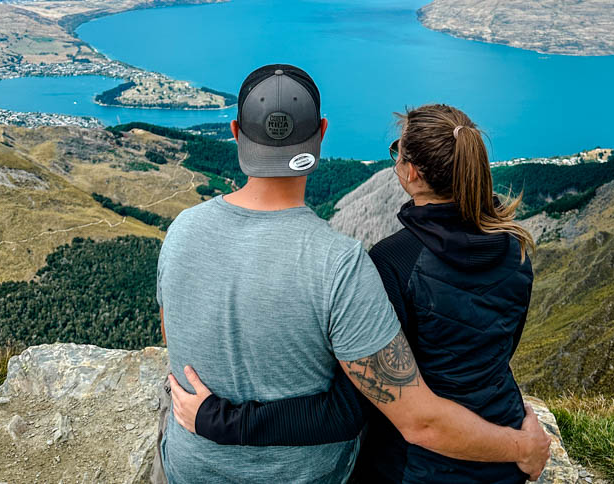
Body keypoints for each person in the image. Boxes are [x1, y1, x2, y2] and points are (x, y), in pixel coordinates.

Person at [167, 91, 543, 483]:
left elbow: (350, 410)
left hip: (415, 468)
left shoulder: (392, 262)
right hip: (505, 450)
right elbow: (499, 351)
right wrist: (522, 446)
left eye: (398, 152)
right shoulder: (515, 250)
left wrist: (218, 419)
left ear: (412, 173)